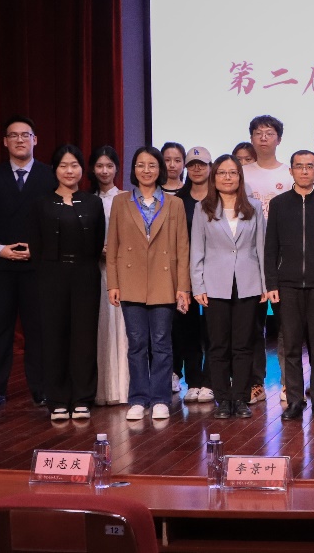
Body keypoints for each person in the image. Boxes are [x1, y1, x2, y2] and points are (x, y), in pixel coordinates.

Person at [0, 115, 57, 409]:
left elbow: (58, 219)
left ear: (35, 140)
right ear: (5, 142)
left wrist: (40, 248)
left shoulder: (50, 176)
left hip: (37, 266)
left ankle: (41, 389)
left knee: (38, 330)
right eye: (13, 135)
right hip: (0, 267)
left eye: (25, 135)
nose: (20, 140)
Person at [105, 146, 192, 421]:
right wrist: (113, 283)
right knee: (137, 343)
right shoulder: (121, 201)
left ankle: (160, 398)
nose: (146, 170)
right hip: (130, 281)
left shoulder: (174, 203)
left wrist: (183, 287)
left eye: (152, 165)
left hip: (163, 281)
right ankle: (138, 397)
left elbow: (182, 249)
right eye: (141, 165)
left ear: (160, 169)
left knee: (162, 342)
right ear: (134, 169)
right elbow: (113, 245)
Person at [265, 150, 314, 422]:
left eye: (309, 166)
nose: (304, 171)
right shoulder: (278, 204)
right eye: (299, 166)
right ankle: (295, 401)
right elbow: (270, 247)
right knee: (290, 347)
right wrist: (271, 282)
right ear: (291, 171)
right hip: (286, 286)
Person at [31, 144, 106, 422]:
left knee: (84, 337)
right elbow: (36, 245)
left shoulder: (92, 203)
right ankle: (58, 399)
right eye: (63, 165)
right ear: (55, 170)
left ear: (82, 170)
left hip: (85, 274)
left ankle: (83, 398)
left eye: (74, 165)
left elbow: (97, 241)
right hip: (51, 276)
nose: (69, 171)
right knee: (54, 337)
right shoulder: (41, 203)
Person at [189, 155, 267, 420]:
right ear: (214, 177)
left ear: (240, 177)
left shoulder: (254, 207)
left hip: (248, 283)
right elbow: (197, 250)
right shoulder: (203, 208)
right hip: (215, 284)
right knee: (218, 345)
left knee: (244, 345)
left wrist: (265, 284)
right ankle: (223, 399)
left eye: (233, 172)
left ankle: (240, 398)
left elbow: (261, 248)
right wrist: (198, 285)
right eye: (222, 172)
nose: (227, 177)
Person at [242, 115, 290, 405]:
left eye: (269, 133)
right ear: (251, 138)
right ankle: (255, 383)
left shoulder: (289, 173)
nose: (263, 137)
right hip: (248, 257)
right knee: (252, 324)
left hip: (283, 258)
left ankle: (288, 383)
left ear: (279, 139)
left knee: (286, 325)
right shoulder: (241, 174)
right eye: (258, 133)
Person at [174, 146, 213, 404]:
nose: (197, 168)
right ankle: (193, 381)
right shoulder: (178, 200)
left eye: (202, 164)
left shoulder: (220, 197)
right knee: (186, 330)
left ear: (210, 167)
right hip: (185, 273)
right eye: (192, 164)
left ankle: (209, 381)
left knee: (213, 330)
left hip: (215, 272)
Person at [91, 145, 130, 406]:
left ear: (117, 168)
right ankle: (100, 389)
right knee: (99, 326)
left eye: (109, 166)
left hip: (123, 270)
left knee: (123, 327)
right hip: (95, 269)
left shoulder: (126, 198)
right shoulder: (87, 200)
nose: (104, 171)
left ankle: (122, 388)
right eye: (99, 166)